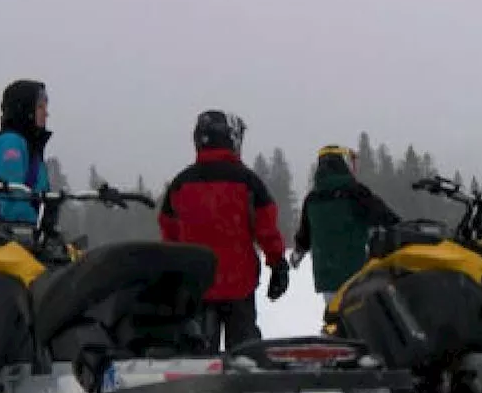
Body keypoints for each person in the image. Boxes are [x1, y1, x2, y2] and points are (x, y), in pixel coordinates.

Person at [158, 110, 290, 352]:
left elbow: (169, 234)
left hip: (197, 286)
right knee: (244, 357)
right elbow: (266, 227)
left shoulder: (180, 184)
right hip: (238, 286)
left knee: (198, 359)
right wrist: (277, 263)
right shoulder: (248, 182)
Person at [290, 145, 399, 304]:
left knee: (337, 318)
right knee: (360, 317)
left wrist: (298, 253)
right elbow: (384, 217)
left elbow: (304, 236)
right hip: (356, 272)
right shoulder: (355, 192)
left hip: (326, 275)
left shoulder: (312, 199)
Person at [0, 79, 52, 226]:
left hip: (32, 233)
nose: (46, 113)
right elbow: (12, 199)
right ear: (26, 111)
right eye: (40, 107)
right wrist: (36, 226)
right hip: (15, 234)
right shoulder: (10, 142)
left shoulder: (31, 148)